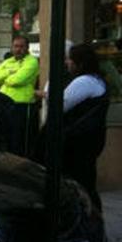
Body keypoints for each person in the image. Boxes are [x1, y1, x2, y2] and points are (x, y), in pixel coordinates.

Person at [36, 43, 109, 209]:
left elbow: (59, 105)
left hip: (78, 142)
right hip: (88, 140)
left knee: (78, 183)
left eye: (70, 59)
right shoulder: (95, 80)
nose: (67, 62)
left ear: (80, 63)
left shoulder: (85, 81)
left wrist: (45, 95)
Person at [0, 36, 40, 156]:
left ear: (27, 48)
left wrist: (5, 79)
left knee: (18, 141)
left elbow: (17, 80)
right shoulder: (9, 62)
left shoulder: (32, 61)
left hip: (21, 105)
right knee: (5, 138)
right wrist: (9, 72)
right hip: (4, 105)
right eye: (16, 46)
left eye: (21, 46)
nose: (18, 49)